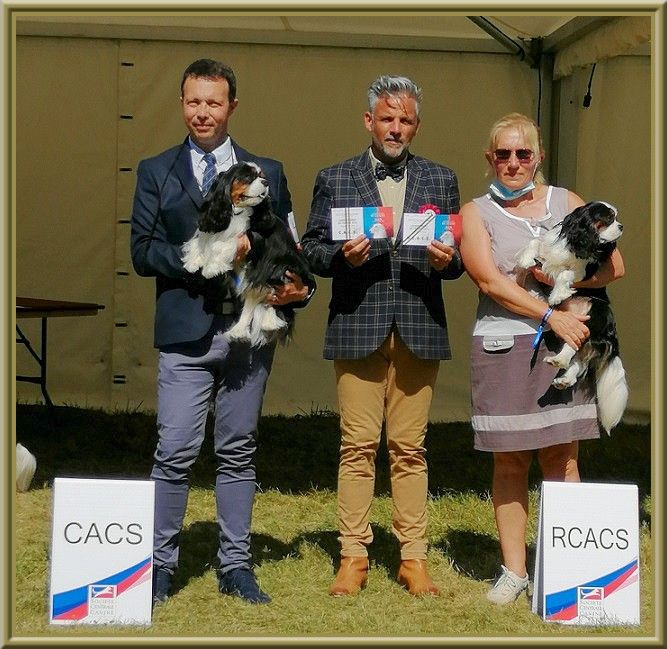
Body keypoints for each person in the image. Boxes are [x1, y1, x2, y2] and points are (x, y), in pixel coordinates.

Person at [130, 58, 313, 606]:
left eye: (213, 102)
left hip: (248, 333)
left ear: (232, 105)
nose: (202, 112)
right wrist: (206, 261)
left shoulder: (268, 172)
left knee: (238, 450)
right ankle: (159, 565)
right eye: (193, 101)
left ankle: (235, 565)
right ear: (181, 104)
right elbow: (142, 251)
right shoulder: (155, 170)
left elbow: (290, 247)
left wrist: (299, 290)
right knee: (174, 450)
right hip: (184, 334)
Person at [301, 75, 463, 597]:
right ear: (368, 120)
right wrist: (340, 257)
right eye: (387, 118)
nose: (395, 128)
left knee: (410, 448)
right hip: (357, 324)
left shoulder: (440, 178)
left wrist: (446, 260)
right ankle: (353, 554)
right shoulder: (335, 177)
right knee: (357, 446)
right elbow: (311, 249)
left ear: (417, 125)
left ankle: (413, 557)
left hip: (418, 324)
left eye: (405, 120)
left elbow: (458, 259)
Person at [459, 113, 625, 604]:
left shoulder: (568, 201)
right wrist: (550, 315)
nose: (513, 162)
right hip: (504, 344)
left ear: (539, 157)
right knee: (510, 461)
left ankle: (566, 572)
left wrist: (566, 282)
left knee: (562, 456)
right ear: (490, 158)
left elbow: (615, 267)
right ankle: (514, 572)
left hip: (566, 345)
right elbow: (488, 280)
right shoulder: (475, 212)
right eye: (503, 154)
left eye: (523, 153)